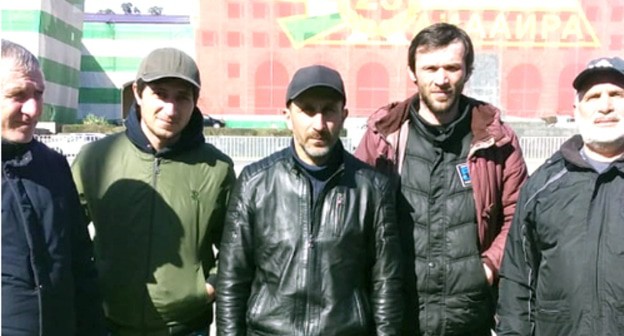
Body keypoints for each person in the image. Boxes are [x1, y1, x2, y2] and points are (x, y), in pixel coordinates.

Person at [355, 23, 528, 335]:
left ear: (468, 71)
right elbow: (354, 215)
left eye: (451, 67)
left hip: (469, 315)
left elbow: (519, 215)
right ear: (413, 72)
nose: (441, 79)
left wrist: (487, 267)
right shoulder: (383, 137)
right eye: (430, 68)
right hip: (398, 313)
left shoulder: (497, 140)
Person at [216, 65, 403, 335]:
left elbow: (386, 283)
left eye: (328, 110)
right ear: (288, 117)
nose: (318, 124)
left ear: (343, 116)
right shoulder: (254, 182)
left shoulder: (372, 189)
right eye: (307, 110)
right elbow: (232, 279)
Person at [71, 47, 236, 335]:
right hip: (107, 324)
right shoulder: (95, 159)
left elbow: (236, 247)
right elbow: (63, 236)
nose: (171, 109)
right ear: (137, 92)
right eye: (160, 93)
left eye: (182, 97)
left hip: (187, 327)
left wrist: (207, 287)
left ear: (195, 101)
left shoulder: (217, 168)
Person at [496, 56, 624, 335]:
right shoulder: (542, 186)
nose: (605, 106)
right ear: (577, 110)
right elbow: (518, 281)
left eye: (617, 94)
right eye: (593, 97)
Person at [1, 39, 105, 335]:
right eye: (18, 95)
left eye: (39, 94)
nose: (33, 109)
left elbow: (80, 265)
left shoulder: (54, 167)